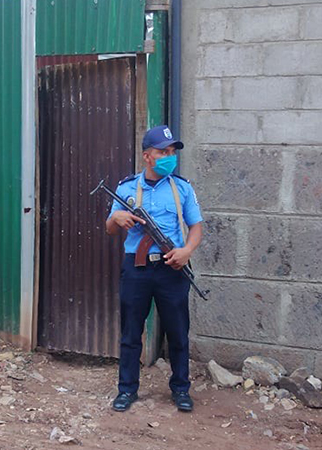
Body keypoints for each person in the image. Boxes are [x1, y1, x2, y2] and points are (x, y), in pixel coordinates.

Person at [105, 125, 204, 412]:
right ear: (147, 156)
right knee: (130, 332)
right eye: (163, 152)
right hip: (136, 270)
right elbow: (110, 229)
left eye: (172, 152)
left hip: (171, 268)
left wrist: (186, 251)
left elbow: (196, 227)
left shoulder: (182, 188)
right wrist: (118, 218)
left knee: (177, 332)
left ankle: (181, 389)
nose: (169, 157)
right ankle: (127, 390)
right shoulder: (126, 188)